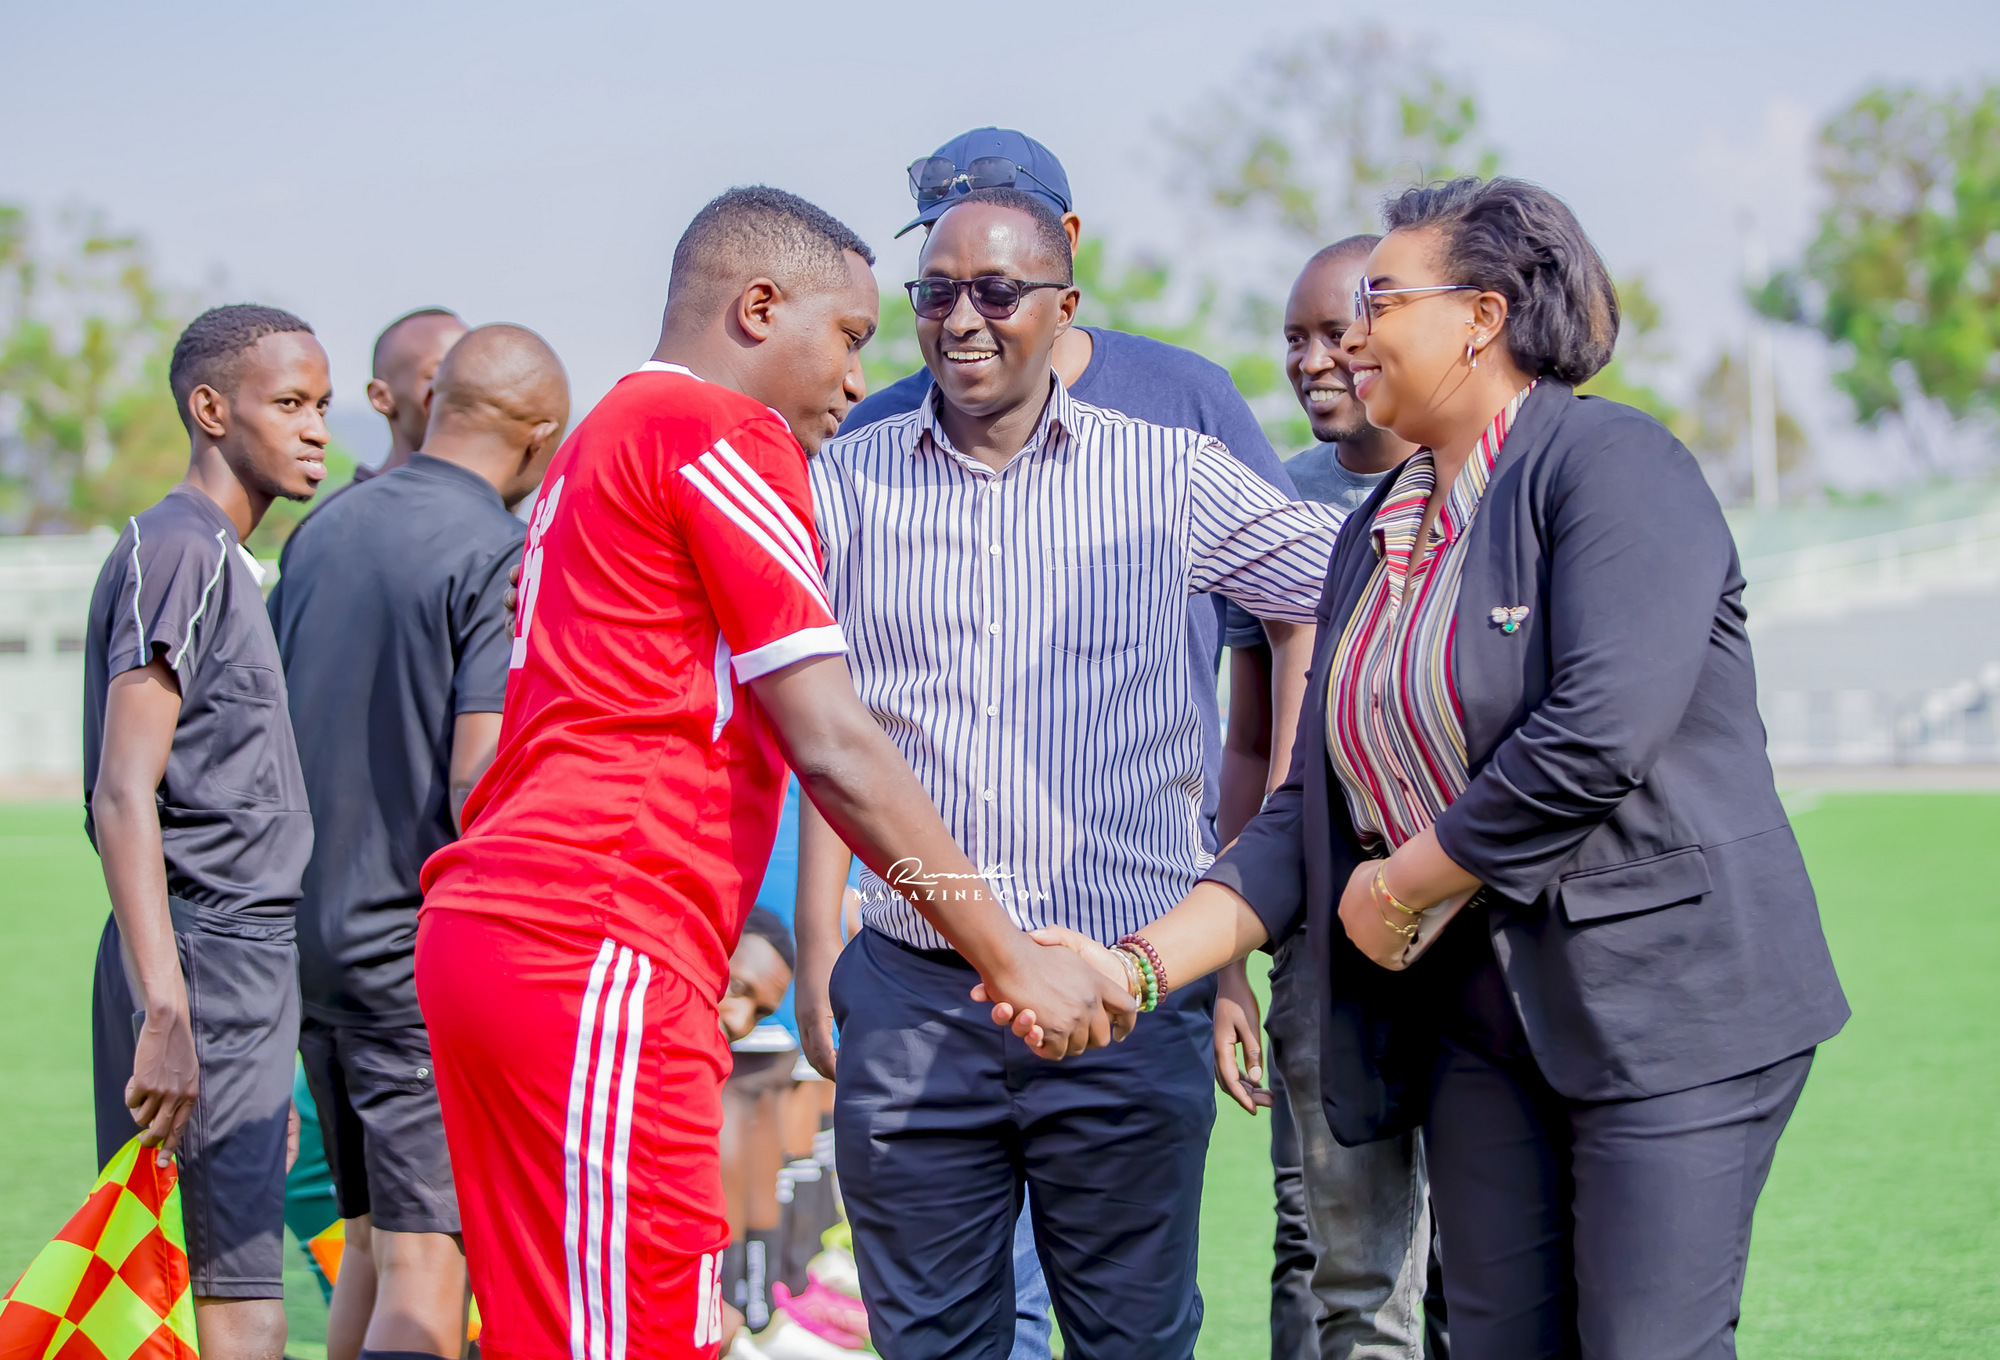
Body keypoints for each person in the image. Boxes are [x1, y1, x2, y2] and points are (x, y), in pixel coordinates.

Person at [1016, 177, 1851, 1360]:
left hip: (1666, 1008)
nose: (1347, 337)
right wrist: (1134, 966)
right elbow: (1306, 808)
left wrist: (1401, 882)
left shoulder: (1610, 467)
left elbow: (1594, 732)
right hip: (1476, 1025)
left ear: (1481, 317)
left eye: (1378, 302)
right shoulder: (1373, 534)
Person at [413, 186, 1131, 1360]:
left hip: (510, 934)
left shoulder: (599, 439)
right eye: (845, 336)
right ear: (756, 309)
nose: (857, 377)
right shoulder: (717, 432)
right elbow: (835, 742)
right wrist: (1006, 954)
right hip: (596, 937)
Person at [800, 189, 1342, 1360]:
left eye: (996, 292)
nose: (961, 319)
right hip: (917, 993)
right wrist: (815, 948)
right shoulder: (844, 484)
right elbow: (814, 733)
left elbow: (1343, 583)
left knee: (1130, 1341)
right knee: (928, 1343)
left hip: (1120, 1001)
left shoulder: (1169, 474)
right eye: (935, 292)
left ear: (1063, 307)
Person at [269, 323, 572, 1360]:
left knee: (364, 1243)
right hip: (413, 958)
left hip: (310, 943)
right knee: (427, 1263)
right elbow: (479, 776)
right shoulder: (498, 550)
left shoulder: (322, 532)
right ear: (540, 435)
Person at [83, 303, 330, 1360]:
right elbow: (121, 793)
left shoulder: (226, 558)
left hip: (244, 968)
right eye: (290, 403)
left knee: (219, 1281)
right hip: (203, 959)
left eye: (322, 405)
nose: (315, 428)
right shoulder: (177, 548)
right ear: (212, 409)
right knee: (227, 1296)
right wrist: (168, 1008)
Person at [1208, 237, 1440, 1360]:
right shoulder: (1277, 503)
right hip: (1313, 933)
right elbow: (1252, 745)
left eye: (1335, 334)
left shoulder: (1473, 482)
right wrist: (1229, 965)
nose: (1311, 361)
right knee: (1315, 1231)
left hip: (1454, 913)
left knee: (1468, 1241)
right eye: (1292, 338)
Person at [360, 308, 469, 482]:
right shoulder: (357, 500)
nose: (468, 393)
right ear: (381, 397)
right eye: (441, 377)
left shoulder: (492, 496)